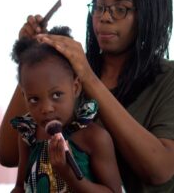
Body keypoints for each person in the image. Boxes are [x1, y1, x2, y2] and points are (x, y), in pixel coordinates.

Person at [0, 0, 174, 192]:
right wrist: (32, 60)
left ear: (150, 14)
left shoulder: (167, 78)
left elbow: (158, 170)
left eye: (120, 9)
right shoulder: (68, 70)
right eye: (99, 7)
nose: (104, 17)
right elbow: (7, 154)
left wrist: (89, 77)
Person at [10, 26, 122, 192]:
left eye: (56, 95)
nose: (46, 108)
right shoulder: (29, 135)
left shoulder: (95, 138)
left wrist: (67, 173)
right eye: (34, 99)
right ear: (24, 96)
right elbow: (20, 187)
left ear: (75, 88)